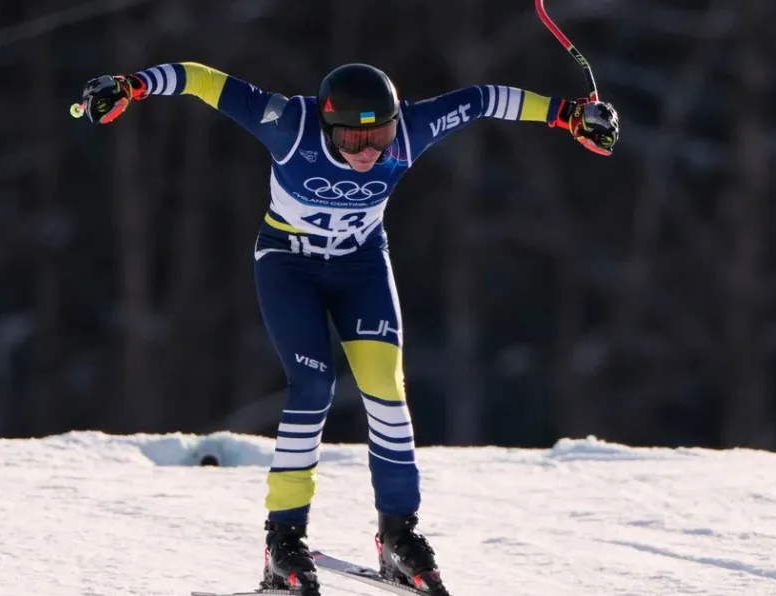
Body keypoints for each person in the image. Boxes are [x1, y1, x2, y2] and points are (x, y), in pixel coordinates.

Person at [76, 61, 619, 595]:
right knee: (312, 388)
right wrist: (133, 85)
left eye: (378, 136)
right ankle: (283, 540)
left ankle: (398, 536)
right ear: (325, 125)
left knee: (386, 389)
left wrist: (568, 115)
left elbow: (482, 100)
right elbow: (202, 79)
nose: (368, 152)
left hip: (360, 265)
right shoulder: (288, 125)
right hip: (289, 264)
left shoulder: (412, 128)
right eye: (352, 140)